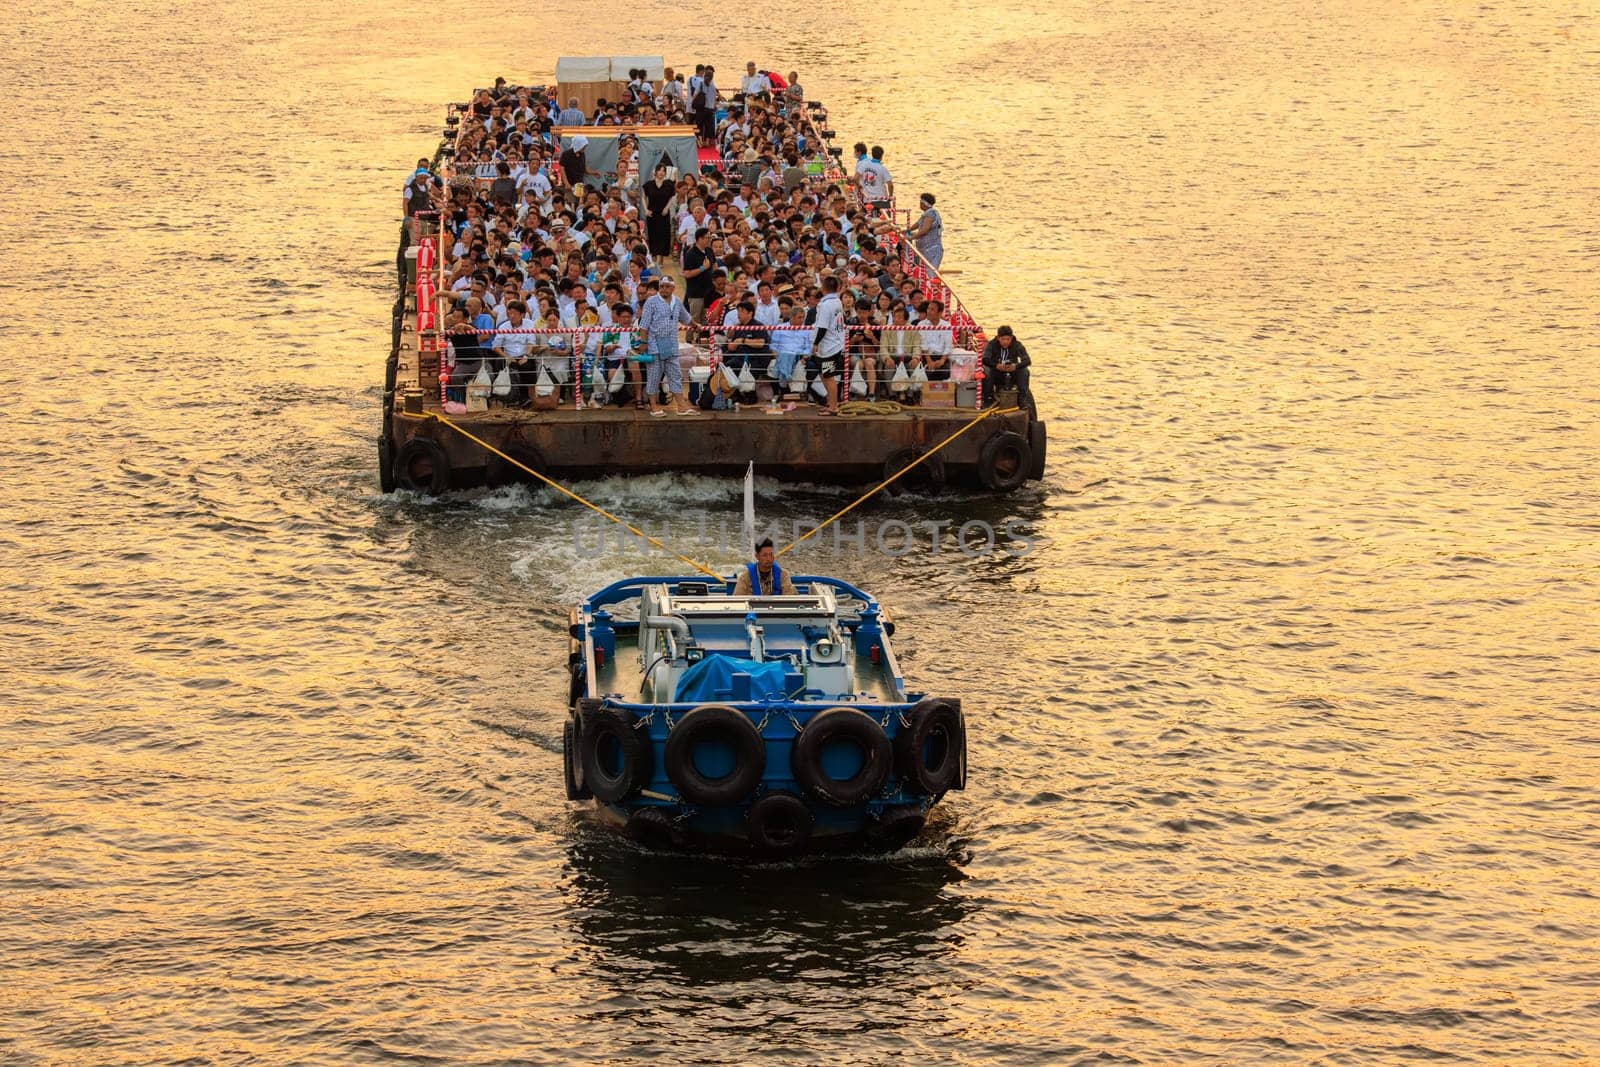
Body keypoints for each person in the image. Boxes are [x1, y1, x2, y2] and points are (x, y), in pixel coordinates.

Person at [638, 276, 697, 417]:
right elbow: (644, 325)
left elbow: (686, 318)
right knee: (654, 375)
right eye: (662, 286)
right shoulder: (651, 302)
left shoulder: (676, 301)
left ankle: (681, 406)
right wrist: (644, 342)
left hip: (671, 344)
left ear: (672, 288)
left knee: (675, 375)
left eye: (667, 286)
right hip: (655, 344)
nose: (664, 288)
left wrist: (696, 326)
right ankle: (653, 406)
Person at [811, 275, 845, 414]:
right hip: (835, 342)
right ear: (837, 288)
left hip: (828, 346)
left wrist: (815, 343)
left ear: (823, 287)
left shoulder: (825, 305)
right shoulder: (837, 301)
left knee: (828, 377)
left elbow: (823, 327)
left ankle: (833, 406)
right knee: (824, 375)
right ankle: (830, 402)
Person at [981, 325, 1031, 405]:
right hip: (997, 374)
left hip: (1012, 373)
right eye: (1003, 339)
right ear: (998, 338)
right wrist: (996, 366)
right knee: (986, 370)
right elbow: (985, 359)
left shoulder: (1017, 345)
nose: (1005, 342)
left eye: (1008, 339)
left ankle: (1022, 399)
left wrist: (1015, 366)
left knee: (1024, 371)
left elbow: (1027, 361)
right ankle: (988, 398)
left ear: (1011, 338)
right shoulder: (991, 345)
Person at [732, 538, 797, 595]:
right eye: (765, 555)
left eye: (771, 554)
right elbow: (738, 601)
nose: (769, 558)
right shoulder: (745, 577)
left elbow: (788, 599)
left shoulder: (783, 575)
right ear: (757, 556)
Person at [680, 227, 716, 324]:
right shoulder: (690, 253)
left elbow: (714, 266)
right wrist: (702, 268)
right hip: (696, 293)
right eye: (707, 238)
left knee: (706, 319)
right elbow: (686, 274)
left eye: (710, 237)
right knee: (694, 320)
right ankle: (690, 339)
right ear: (699, 239)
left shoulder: (709, 250)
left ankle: (703, 339)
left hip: (709, 291)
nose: (709, 240)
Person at [642, 162, 675, 258]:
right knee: (653, 235)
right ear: (655, 172)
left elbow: (671, 198)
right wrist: (646, 210)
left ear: (665, 173)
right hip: (652, 213)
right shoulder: (648, 184)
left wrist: (666, 208)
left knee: (664, 235)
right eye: (659, 170)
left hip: (664, 213)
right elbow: (643, 197)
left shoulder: (668, 184)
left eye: (663, 171)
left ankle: (661, 259)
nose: (661, 172)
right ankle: (654, 256)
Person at [906, 192, 943, 269]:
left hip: (932, 250)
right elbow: (918, 223)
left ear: (924, 204)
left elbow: (924, 231)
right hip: (925, 250)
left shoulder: (930, 214)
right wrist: (907, 231)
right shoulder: (926, 214)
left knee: (929, 273)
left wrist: (911, 237)